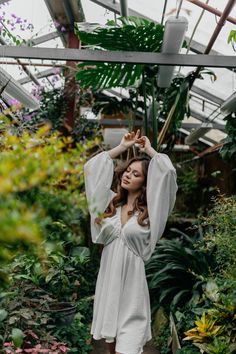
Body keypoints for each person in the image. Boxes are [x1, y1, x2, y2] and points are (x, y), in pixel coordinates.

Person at [84, 130, 178, 354]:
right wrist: (122, 148)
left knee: (128, 348)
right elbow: (92, 169)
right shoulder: (109, 205)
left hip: (133, 292)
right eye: (127, 170)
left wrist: (148, 150)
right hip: (108, 285)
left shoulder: (151, 215)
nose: (128, 175)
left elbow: (168, 174)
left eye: (136, 174)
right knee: (111, 347)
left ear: (146, 183)